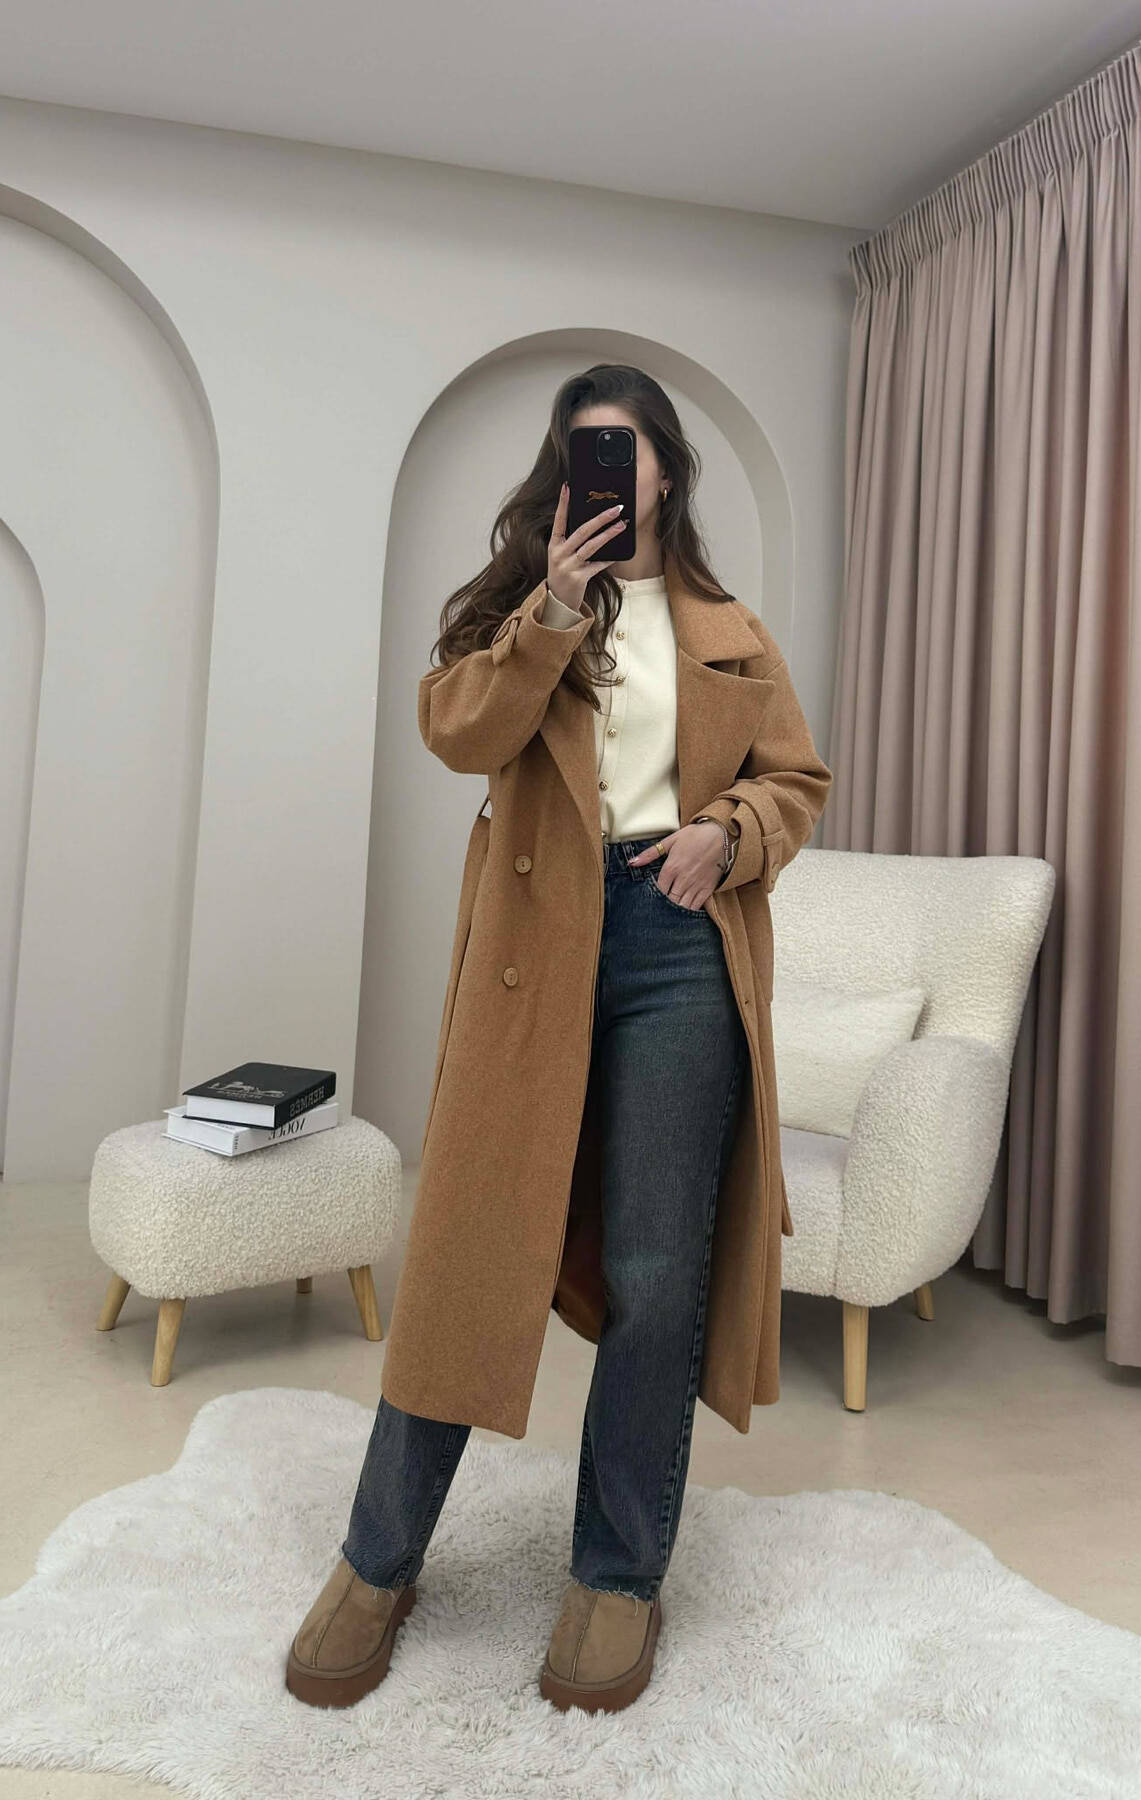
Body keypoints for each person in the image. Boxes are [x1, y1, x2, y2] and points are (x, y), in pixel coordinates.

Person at [285, 364, 831, 1716]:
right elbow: (456, 732)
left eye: (625, 446)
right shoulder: (525, 607)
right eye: (582, 447)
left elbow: (795, 781)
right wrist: (552, 611)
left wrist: (729, 835)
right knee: (469, 1251)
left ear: (666, 472)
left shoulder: (729, 629)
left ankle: (617, 1575)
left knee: (655, 1271)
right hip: (538, 947)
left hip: (676, 944)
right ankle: (377, 1559)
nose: (605, 467)